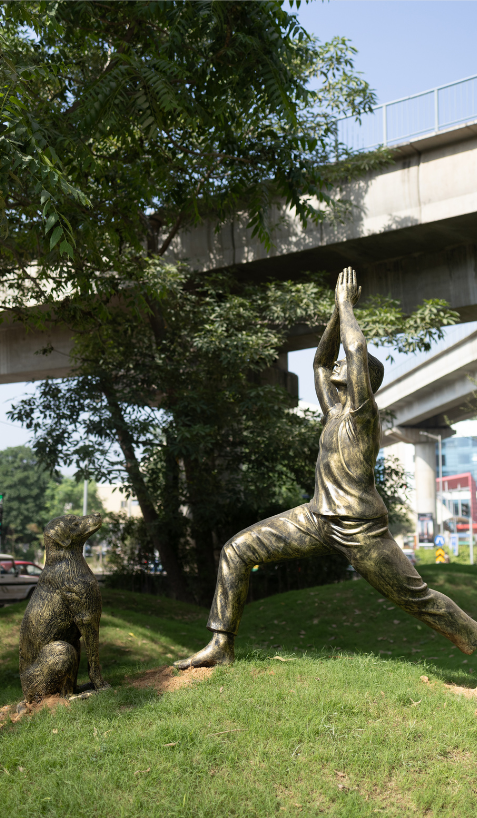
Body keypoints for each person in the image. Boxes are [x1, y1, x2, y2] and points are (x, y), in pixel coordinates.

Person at [175, 267, 477, 669]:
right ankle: (221, 646)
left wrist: (346, 304)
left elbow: (356, 350)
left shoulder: (363, 414)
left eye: (346, 366)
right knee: (236, 549)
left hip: (360, 528)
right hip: (316, 518)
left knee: (419, 599)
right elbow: (320, 362)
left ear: (360, 379)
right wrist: (336, 312)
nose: (338, 366)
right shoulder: (334, 412)